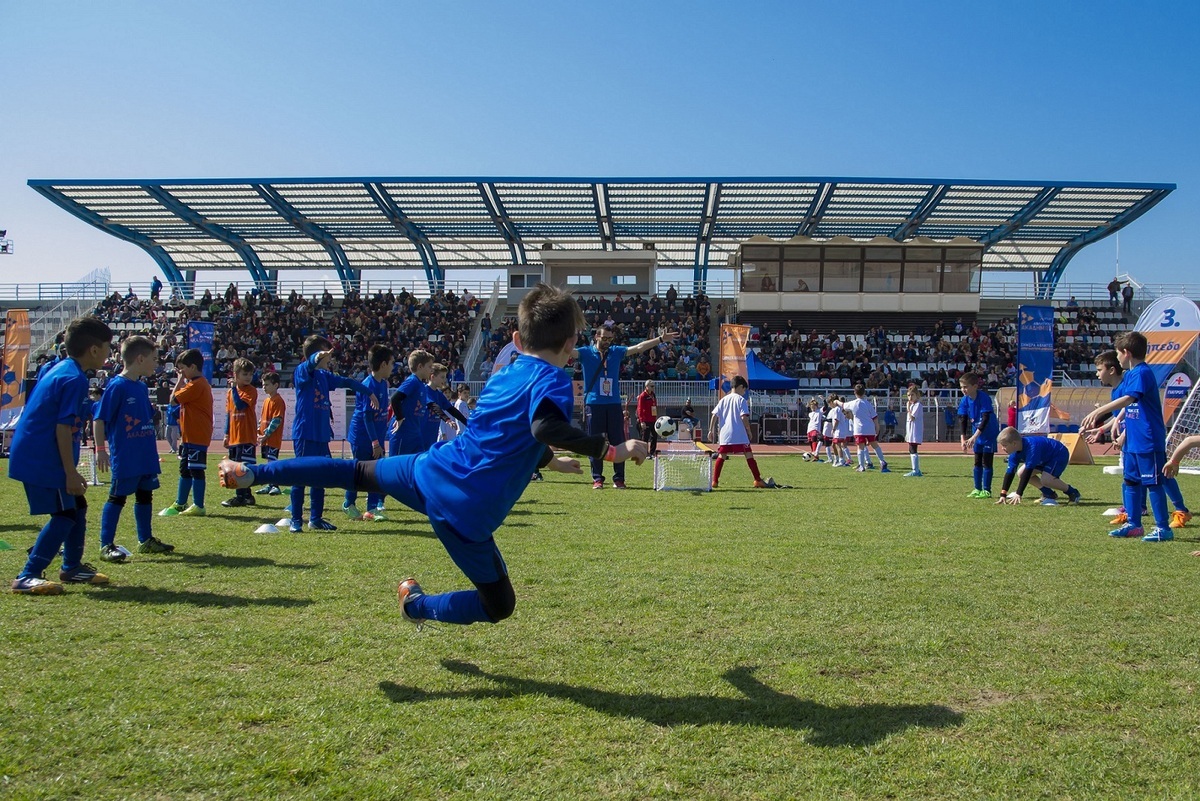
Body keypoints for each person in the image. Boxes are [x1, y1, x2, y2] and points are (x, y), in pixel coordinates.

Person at [218, 284, 648, 627]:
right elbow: (544, 428)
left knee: (353, 472)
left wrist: (549, 461)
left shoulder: (505, 375)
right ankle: (416, 607)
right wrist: (612, 450)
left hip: (429, 469)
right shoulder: (554, 378)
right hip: (465, 513)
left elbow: (509, 434)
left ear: (517, 339)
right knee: (498, 605)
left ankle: (252, 473)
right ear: (573, 342)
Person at [10, 316, 115, 594]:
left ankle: (71, 567)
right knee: (65, 514)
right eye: (107, 347)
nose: (109, 352)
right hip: (42, 456)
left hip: (38, 452)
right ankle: (27, 575)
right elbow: (62, 428)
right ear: (94, 350)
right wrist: (69, 472)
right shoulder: (74, 379)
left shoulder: (61, 369)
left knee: (77, 506)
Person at [1081, 332, 1172, 542]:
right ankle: (1134, 524)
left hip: (1148, 439)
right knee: (1130, 481)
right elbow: (1128, 407)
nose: (1118, 358)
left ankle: (1163, 528)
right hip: (1132, 441)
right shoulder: (1131, 375)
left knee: (1153, 483)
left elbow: (1131, 398)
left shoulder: (1142, 372)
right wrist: (1108, 428)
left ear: (1126, 353)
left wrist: (1098, 412)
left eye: (1119, 353)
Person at [94, 336, 174, 560]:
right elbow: (99, 419)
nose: (156, 364)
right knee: (117, 497)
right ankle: (105, 545)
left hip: (145, 455)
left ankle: (145, 540)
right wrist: (101, 449)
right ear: (140, 359)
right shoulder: (117, 386)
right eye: (154, 359)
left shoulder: (140, 386)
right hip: (127, 456)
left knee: (145, 495)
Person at [574, 324, 678, 489]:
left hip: (614, 404)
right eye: (604, 338)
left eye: (610, 339)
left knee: (619, 442)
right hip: (594, 405)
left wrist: (659, 340)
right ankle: (597, 479)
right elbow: (567, 352)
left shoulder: (616, 351)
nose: (607, 342)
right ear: (596, 337)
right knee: (596, 443)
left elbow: (638, 347)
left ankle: (619, 479)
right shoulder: (586, 352)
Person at [289, 336, 376, 533]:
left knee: (320, 477)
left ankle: (316, 519)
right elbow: (311, 363)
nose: (330, 358)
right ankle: (296, 520)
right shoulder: (303, 370)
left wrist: (368, 392)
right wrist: (317, 356)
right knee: (299, 476)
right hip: (305, 434)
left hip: (321, 436)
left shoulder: (324, 376)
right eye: (326, 354)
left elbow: (346, 381)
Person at [159, 349, 213, 517]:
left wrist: (181, 380)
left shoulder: (197, 384)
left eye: (182, 368)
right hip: (188, 435)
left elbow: (173, 398)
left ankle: (198, 504)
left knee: (196, 469)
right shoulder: (193, 384)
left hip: (197, 434)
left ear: (193, 366)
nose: (181, 372)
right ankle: (181, 502)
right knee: (185, 469)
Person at [343, 345, 394, 521]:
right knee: (360, 472)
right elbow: (367, 417)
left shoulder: (383, 384)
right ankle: (348, 503)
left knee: (375, 472)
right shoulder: (368, 385)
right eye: (392, 363)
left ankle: (371, 508)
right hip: (363, 437)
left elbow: (380, 414)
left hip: (376, 437)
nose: (393, 367)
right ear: (383, 364)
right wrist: (375, 442)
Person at [388, 350, 465, 457]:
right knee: (398, 468)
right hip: (404, 434)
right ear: (420, 367)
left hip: (417, 435)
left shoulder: (421, 386)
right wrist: (399, 417)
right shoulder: (414, 382)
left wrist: (467, 423)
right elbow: (395, 398)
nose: (430, 370)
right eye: (429, 367)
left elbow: (451, 410)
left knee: (418, 466)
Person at [994, 427, 1081, 506]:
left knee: (1046, 480)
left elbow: (1028, 472)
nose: (1002, 448)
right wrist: (1003, 494)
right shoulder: (1014, 452)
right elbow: (1010, 473)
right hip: (1043, 458)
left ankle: (1073, 493)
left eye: (1004, 445)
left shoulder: (1032, 448)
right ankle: (1049, 494)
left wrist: (1019, 493)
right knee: (1020, 473)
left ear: (1014, 443)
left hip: (1058, 454)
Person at [708, 376, 768, 489]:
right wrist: (748, 430)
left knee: (722, 456)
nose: (744, 392)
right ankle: (757, 479)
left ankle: (714, 481)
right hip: (739, 434)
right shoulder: (741, 400)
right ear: (740, 387)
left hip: (725, 435)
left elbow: (714, 415)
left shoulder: (723, 400)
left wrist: (710, 430)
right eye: (744, 389)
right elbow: (743, 417)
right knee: (749, 455)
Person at [220, 358, 258, 508]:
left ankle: (240, 497)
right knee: (234, 468)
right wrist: (226, 434)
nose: (248, 377)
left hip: (246, 435)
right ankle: (247, 496)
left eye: (250, 374)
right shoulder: (231, 392)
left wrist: (234, 389)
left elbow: (240, 405)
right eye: (245, 374)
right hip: (235, 437)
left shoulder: (251, 390)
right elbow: (230, 414)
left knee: (243, 469)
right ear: (236, 374)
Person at [959, 372, 999, 498]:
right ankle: (977, 488)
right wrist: (963, 439)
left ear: (975, 386)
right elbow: (963, 419)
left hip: (988, 434)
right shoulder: (965, 400)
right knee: (977, 462)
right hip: (978, 434)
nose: (963, 390)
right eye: (961, 387)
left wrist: (974, 437)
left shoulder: (983, 398)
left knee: (986, 462)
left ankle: (987, 490)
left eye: (966, 387)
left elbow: (985, 418)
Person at [842, 383, 890, 473]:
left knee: (860, 447)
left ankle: (862, 466)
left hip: (859, 429)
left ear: (855, 392)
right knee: (875, 445)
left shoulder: (854, 403)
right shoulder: (868, 404)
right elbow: (875, 418)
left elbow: (843, 405)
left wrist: (836, 402)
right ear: (864, 392)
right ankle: (882, 461)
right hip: (870, 428)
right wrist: (877, 428)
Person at [255, 372, 286, 497]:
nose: (264, 387)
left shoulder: (278, 401)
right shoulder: (266, 400)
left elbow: (276, 420)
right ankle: (270, 484)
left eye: (267, 384)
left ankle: (275, 485)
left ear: (276, 385)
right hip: (265, 438)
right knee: (268, 462)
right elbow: (262, 419)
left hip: (272, 438)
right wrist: (258, 431)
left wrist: (266, 434)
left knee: (272, 461)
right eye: (263, 384)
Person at [904, 384, 924, 477]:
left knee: (913, 449)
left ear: (917, 395)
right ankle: (915, 469)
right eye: (909, 395)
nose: (910, 397)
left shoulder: (917, 405)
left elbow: (912, 417)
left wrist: (908, 408)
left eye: (912, 395)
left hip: (915, 431)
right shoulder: (912, 405)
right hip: (911, 431)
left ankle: (915, 470)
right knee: (910, 449)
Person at [635, 380, 659, 456]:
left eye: (653, 386)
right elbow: (640, 409)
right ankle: (643, 453)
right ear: (646, 387)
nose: (653, 388)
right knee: (645, 438)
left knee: (654, 436)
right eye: (651, 386)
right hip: (646, 420)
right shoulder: (643, 396)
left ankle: (652, 452)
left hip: (653, 419)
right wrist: (642, 421)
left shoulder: (653, 395)